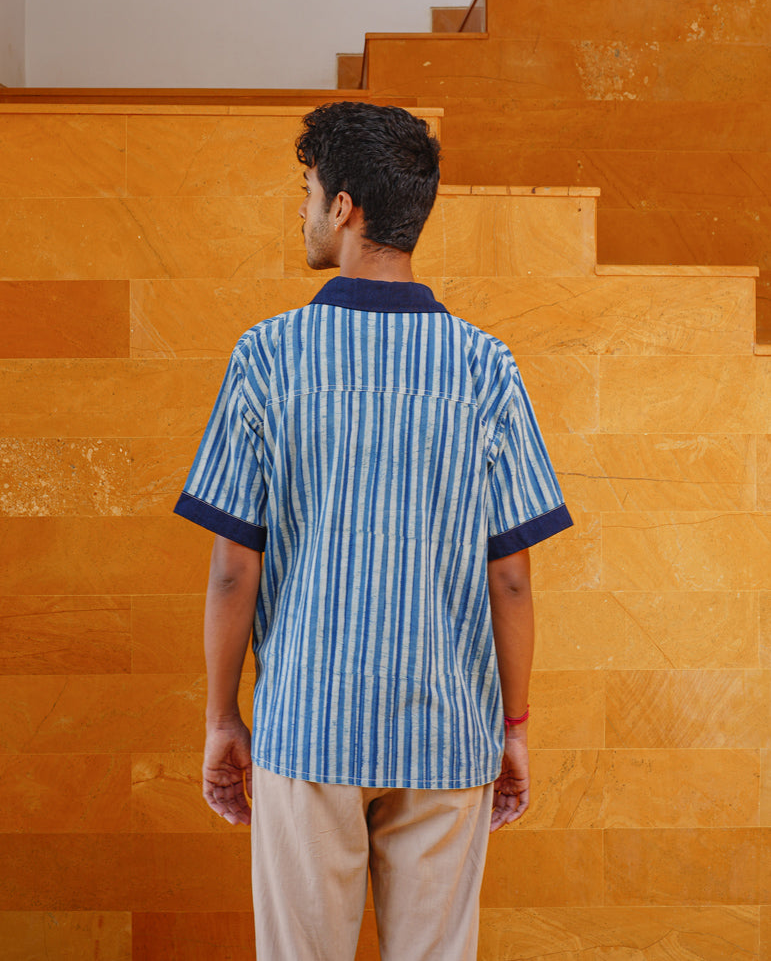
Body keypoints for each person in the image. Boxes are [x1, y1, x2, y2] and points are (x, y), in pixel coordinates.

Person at [174, 101, 572, 961]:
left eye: (309, 190)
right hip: (448, 729)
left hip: (306, 723)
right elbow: (511, 576)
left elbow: (232, 571)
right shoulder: (483, 366)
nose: (305, 209)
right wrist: (513, 727)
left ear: (344, 207)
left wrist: (220, 719)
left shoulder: (269, 357)